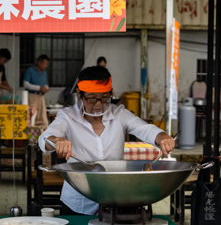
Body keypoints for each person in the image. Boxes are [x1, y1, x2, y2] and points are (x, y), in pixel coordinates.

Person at [40, 66, 174, 215]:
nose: (98, 104)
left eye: (104, 98)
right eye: (91, 98)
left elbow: (145, 129)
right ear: (79, 93)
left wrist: (162, 137)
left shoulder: (120, 114)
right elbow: (45, 138)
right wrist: (56, 140)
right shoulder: (67, 116)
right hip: (78, 200)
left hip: (116, 197)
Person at [22, 54, 50, 128]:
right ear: (39, 62)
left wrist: (46, 88)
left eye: (47, 64)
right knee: (32, 118)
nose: (46, 66)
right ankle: (31, 138)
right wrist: (39, 88)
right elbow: (26, 84)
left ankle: (42, 138)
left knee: (43, 118)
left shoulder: (44, 72)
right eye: (45, 64)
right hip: (32, 96)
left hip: (41, 96)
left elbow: (45, 84)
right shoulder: (30, 70)